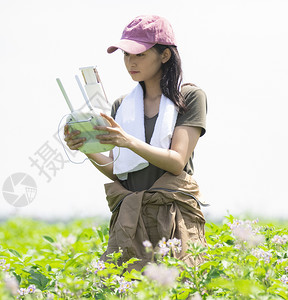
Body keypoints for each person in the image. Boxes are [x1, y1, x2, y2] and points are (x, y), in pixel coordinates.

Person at [63, 15, 208, 271]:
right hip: (131, 217)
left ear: (164, 55)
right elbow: (117, 170)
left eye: (139, 54)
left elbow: (176, 162)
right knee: (126, 287)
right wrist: (84, 146)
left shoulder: (189, 97)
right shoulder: (122, 105)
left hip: (173, 215)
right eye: (126, 55)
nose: (131, 62)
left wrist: (128, 141)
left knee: (180, 286)